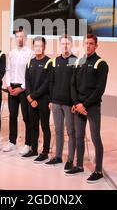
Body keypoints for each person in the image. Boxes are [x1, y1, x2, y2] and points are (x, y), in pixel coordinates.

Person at [67, 34, 108, 183]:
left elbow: (99, 89)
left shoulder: (101, 63)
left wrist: (84, 105)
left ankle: (98, 171)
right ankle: (79, 166)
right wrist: (76, 103)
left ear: (96, 46)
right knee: (79, 137)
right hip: (79, 106)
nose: (88, 46)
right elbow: (73, 85)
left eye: (91, 43)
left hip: (92, 107)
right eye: (86, 43)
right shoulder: (78, 61)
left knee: (95, 138)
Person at [45, 34, 77, 171]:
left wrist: (75, 102)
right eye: (62, 43)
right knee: (58, 130)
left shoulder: (75, 61)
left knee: (70, 132)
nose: (65, 46)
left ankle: (70, 159)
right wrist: (51, 100)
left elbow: (77, 83)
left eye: (67, 44)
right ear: (60, 45)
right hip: (56, 102)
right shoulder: (55, 61)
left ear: (71, 45)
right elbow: (51, 82)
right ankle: (58, 156)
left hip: (69, 103)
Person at [3, 28, 34, 154]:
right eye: (17, 37)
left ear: (25, 38)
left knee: (26, 117)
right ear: (15, 38)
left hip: (23, 89)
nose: (19, 39)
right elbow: (8, 70)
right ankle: (12, 142)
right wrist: (9, 86)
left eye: (22, 37)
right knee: (12, 116)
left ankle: (28, 143)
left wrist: (22, 88)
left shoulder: (30, 53)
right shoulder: (11, 53)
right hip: (12, 88)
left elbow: (30, 74)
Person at [23, 36, 52, 163]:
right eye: (36, 46)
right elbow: (27, 81)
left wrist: (33, 96)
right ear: (33, 47)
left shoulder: (49, 62)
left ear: (44, 47)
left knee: (45, 126)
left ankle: (45, 152)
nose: (38, 48)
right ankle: (34, 149)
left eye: (40, 46)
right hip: (31, 100)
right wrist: (29, 97)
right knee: (33, 125)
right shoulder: (30, 62)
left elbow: (47, 83)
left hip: (43, 100)